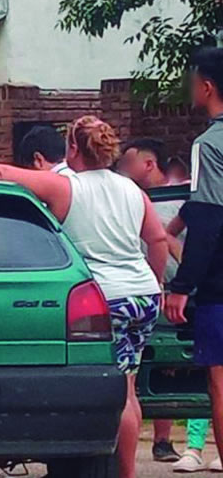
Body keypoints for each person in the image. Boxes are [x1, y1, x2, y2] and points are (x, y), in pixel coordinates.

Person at [0, 115, 168, 478]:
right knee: (129, 388)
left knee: (119, 397)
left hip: (103, 297)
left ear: (73, 148)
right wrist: (155, 284)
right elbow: (157, 240)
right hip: (141, 294)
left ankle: (123, 473)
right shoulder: (132, 190)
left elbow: (1, 174)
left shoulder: (66, 186)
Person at [164, 46, 223, 474]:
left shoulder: (208, 145)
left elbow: (207, 215)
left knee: (220, 381)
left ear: (206, 87)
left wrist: (181, 285)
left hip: (220, 285)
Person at [118, 138, 186, 463]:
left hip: (169, 294)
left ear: (149, 164)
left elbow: (169, 240)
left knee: (166, 369)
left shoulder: (176, 202)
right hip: (141, 294)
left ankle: (162, 440)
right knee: (131, 375)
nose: (124, 170)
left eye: (130, 163)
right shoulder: (128, 200)